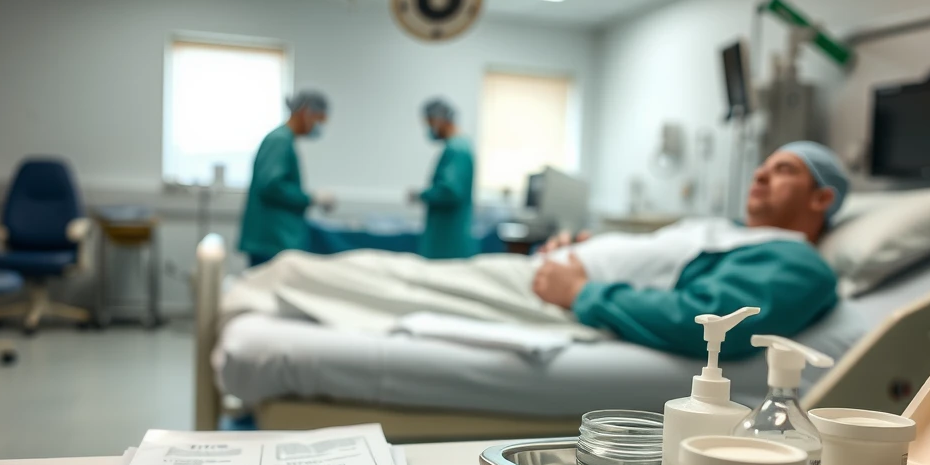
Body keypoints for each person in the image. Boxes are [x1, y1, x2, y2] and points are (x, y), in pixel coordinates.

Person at [226, 141, 849, 360]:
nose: (760, 175)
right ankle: (257, 292)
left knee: (360, 275)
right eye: (762, 165)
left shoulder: (796, 262)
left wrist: (585, 290)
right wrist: (590, 248)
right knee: (382, 271)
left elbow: (707, 322)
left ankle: (254, 293)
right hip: (550, 276)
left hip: (552, 299)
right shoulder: (733, 232)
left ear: (822, 199)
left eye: (784, 170)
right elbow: (663, 265)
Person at [238, 91, 335, 267]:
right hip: (271, 241)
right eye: (318, 119)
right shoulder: (279, 140)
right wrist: (310, 198)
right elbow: (271, 186)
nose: (319, 126)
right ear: (305, 112)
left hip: (274, 240)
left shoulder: (285, 140)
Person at [411, 98, 478, 259]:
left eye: (430, 123)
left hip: (448, 238)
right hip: (448, 234)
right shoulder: (458, 146)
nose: (430, 129)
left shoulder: (457, 149)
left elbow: (450, 191)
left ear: (439, 121)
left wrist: (422, 195)